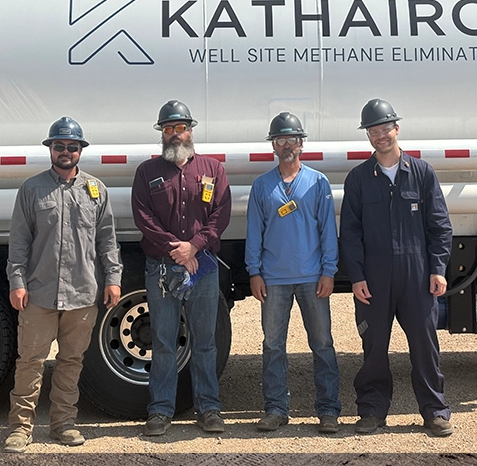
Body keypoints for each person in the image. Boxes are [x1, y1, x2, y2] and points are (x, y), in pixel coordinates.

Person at [3, 116, 123, 453]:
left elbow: (107, 241)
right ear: (51, 149)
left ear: (80, 151)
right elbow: (19, 242)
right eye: (60, 146)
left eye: (72, 147)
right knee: (30, 362)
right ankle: (20, 428)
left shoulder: (95, 190)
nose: (66, 152)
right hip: (39, 293)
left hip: (83, 294)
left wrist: (113, 278)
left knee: (71, 363)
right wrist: (17, 281)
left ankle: (63, 424)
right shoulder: (32, 189)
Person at [339, 99, 454, 437]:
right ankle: (372, 411)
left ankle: (434, 410)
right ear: (368, 136)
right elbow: (350, 232)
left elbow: (440, 227)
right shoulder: (359, 178)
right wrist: (356, 276)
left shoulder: (421, 173)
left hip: (417, 275)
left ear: (396, 129)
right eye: (374, 131)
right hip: (373, 278)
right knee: (374, 346)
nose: (380, 135)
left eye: (385, 128)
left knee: (424, 342)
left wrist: (437, 268)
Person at [131, 100, 231, 436]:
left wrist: (195, 247)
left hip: (202, 267)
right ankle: (160, 411)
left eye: (181, 127)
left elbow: (221, 214)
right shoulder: (148, 171)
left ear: (191, 130)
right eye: (169, 129)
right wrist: (176, 250)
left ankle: (209, 409)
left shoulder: (212, 169)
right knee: (162, 341)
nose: (175, 134)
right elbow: (143, 217)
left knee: (205, 341)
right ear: (162, 133)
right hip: (161, 267)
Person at [245, 112, 342, 433]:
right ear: (273, 145)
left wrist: (329, 271)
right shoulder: (262, 185)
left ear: (302, 144)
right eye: (280, 140)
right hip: (273, 280)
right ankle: (276, 409)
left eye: (292, 139)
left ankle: (328, 410)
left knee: (323, 344)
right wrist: (254, 272)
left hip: (313, 277)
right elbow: (254, 232)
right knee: (273, 346)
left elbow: (328, 230)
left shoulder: (317, 182)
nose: (286, 145)